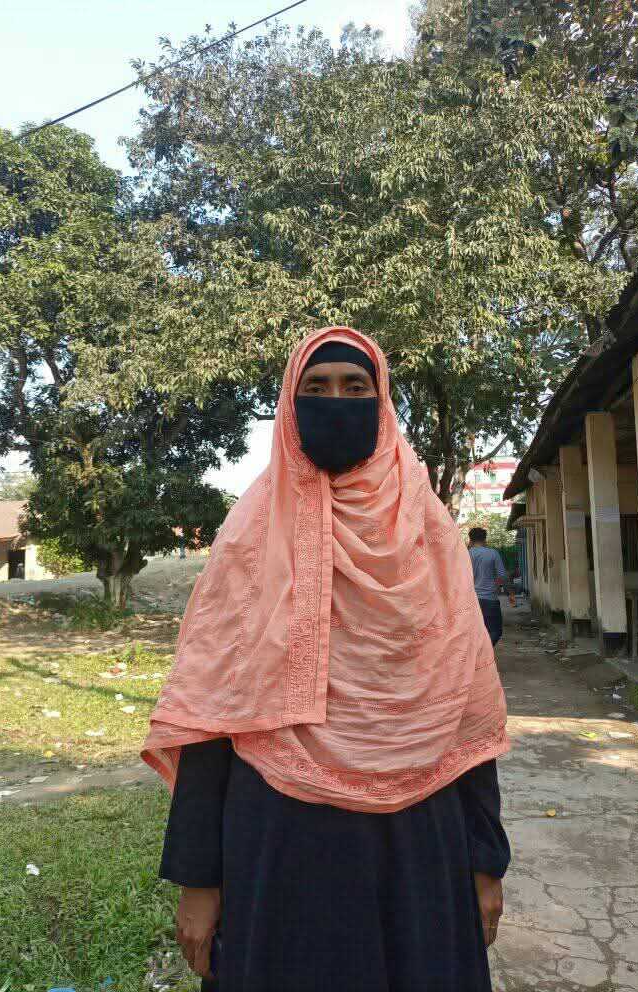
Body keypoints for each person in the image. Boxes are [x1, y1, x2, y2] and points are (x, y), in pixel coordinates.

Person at [142, 327, 511, 992]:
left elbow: (470, 716)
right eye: (316, 387)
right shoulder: (252, 533)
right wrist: (198, 881)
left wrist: (486, 862)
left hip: (419, 837)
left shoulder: (428, 531)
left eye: (354, 387)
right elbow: (209, 715)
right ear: (289, 405)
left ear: (382, 402)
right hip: (279, 834)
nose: (335, 401)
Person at [467, 528, 516, 647]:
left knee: (473, 632)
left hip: (471, 601)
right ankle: (484, 651)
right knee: (495, 631)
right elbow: (502, 575)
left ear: (470, 539)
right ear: (485, 539)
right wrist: (510, 593)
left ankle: (478, 652)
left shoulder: (465, 554)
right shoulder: (493, 553)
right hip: (490, 599)